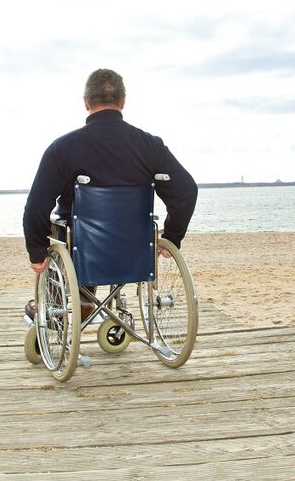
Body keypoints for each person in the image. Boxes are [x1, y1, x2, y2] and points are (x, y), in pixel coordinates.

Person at [22, 68, 197, 317]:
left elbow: (36, 208)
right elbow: (186, 191)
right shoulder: (151, 146)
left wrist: (36, 251)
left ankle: (62, 306)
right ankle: (86, 303)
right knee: (80, 233)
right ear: (123, 101)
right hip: (135, 250)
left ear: (86, 102)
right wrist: (173, 235)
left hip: (83, 251)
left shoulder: (62, 149)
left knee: (63, 230)